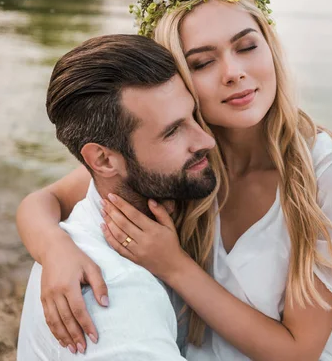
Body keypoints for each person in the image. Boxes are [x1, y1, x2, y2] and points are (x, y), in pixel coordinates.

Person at [16, 0, 332, 360]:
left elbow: (299, 352)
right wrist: (55, 249)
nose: (235, 73)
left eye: (247, 47)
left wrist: (174, 266)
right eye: (202, 63)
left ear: (271, 46)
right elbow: (42, 202)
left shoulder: (321, 171)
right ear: (177, 78)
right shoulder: (181, 160)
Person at [17, 34, 217, 359]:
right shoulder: (115, 298)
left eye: (194, 116)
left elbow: (42, 200)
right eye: (172, 131)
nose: (206, 139)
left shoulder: (102, 198)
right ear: (104, 160)